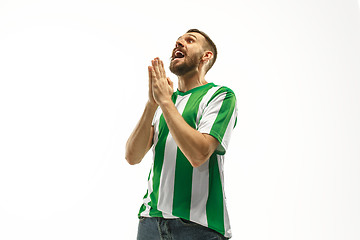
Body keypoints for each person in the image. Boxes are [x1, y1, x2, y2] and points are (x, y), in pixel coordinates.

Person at [125, 29, 237, 240]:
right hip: (150, 223)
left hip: (198, 227)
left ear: (206, 56)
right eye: (177, 41)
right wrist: (152, 103)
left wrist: (165, 103)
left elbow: (199, 154)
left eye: (189, 40)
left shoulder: (220, 95)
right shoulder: (164, 101)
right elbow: (132, 156)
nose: (179, 43)